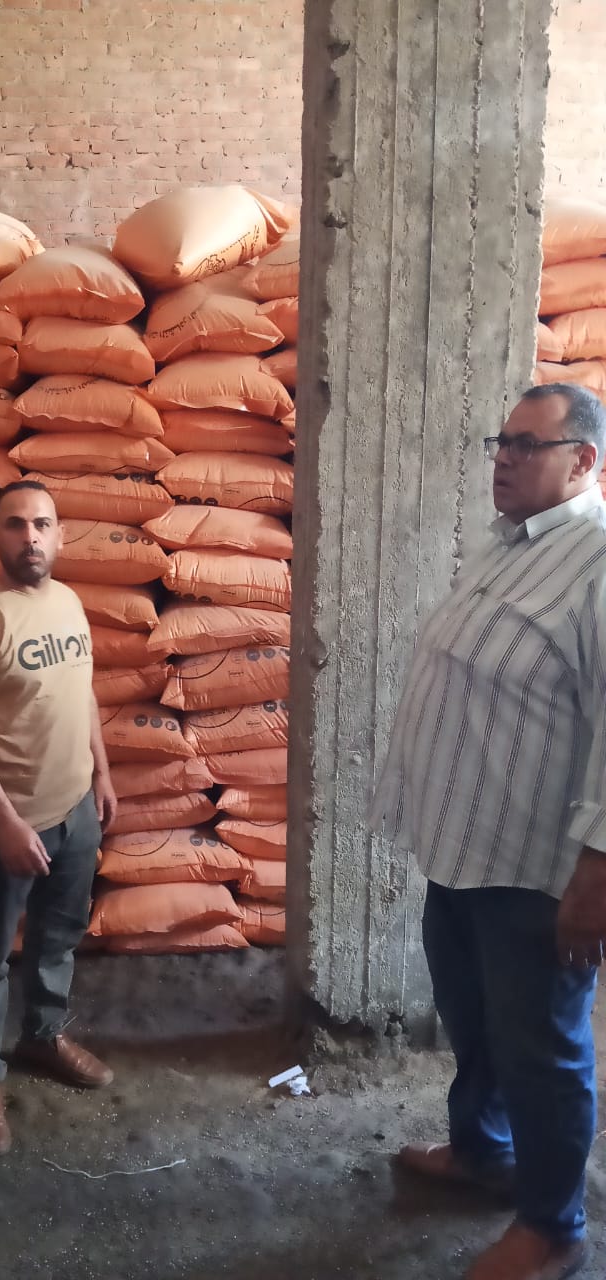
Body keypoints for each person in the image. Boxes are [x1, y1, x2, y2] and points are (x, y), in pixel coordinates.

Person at [369, 383, 606, 1280]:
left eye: (526, 444)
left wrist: (598, 873)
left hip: (538, 869)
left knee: (543, 1048)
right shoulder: (510, 543)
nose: (503, 457)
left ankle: (553, 1227)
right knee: (475, 1021)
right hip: (466, 846)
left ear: (583, 460)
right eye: (500, 441)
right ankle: (483, 1153)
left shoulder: (597, 562)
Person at [0, 479, 117, 1160]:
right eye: (15, 524)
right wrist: (6, 824)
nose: (30, 536)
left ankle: (43, 1035)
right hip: (2, 826)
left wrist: (101, 773)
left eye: (41, 524)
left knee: (58, 938)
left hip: (74, 811)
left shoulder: (69, 602)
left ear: (60, 535)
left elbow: (83, 694)